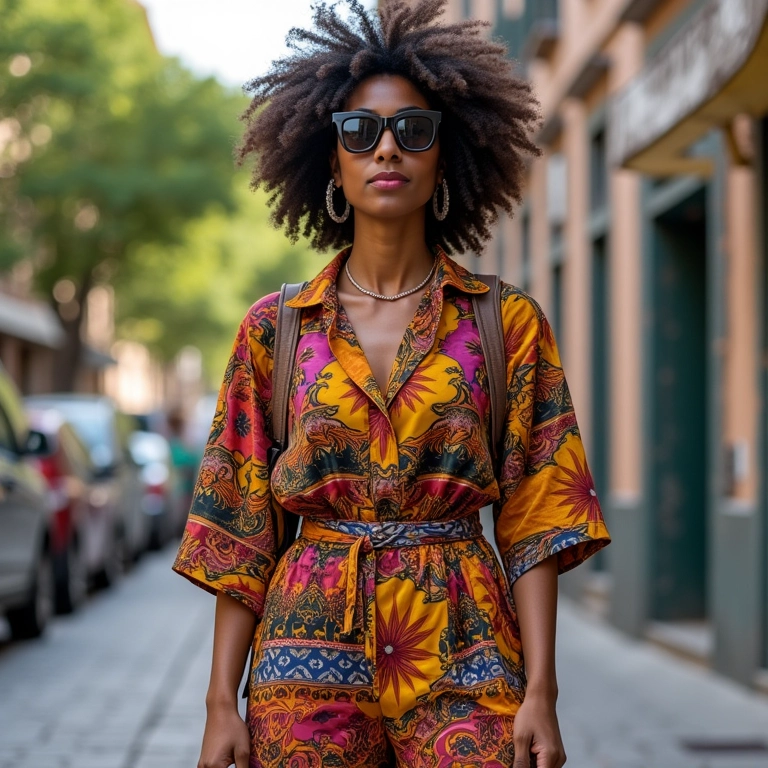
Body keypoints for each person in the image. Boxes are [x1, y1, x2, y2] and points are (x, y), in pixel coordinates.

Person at [172, 2, 611, 766]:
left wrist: (542, 690)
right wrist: (219, 704)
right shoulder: (275, 330)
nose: (387, 149)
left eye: (414, 130)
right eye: (360, 132)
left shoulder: (504, 324)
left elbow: (539, 514)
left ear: (446, 154)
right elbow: (239, 527)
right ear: (330, 157)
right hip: (304, 649)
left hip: (466, 638)